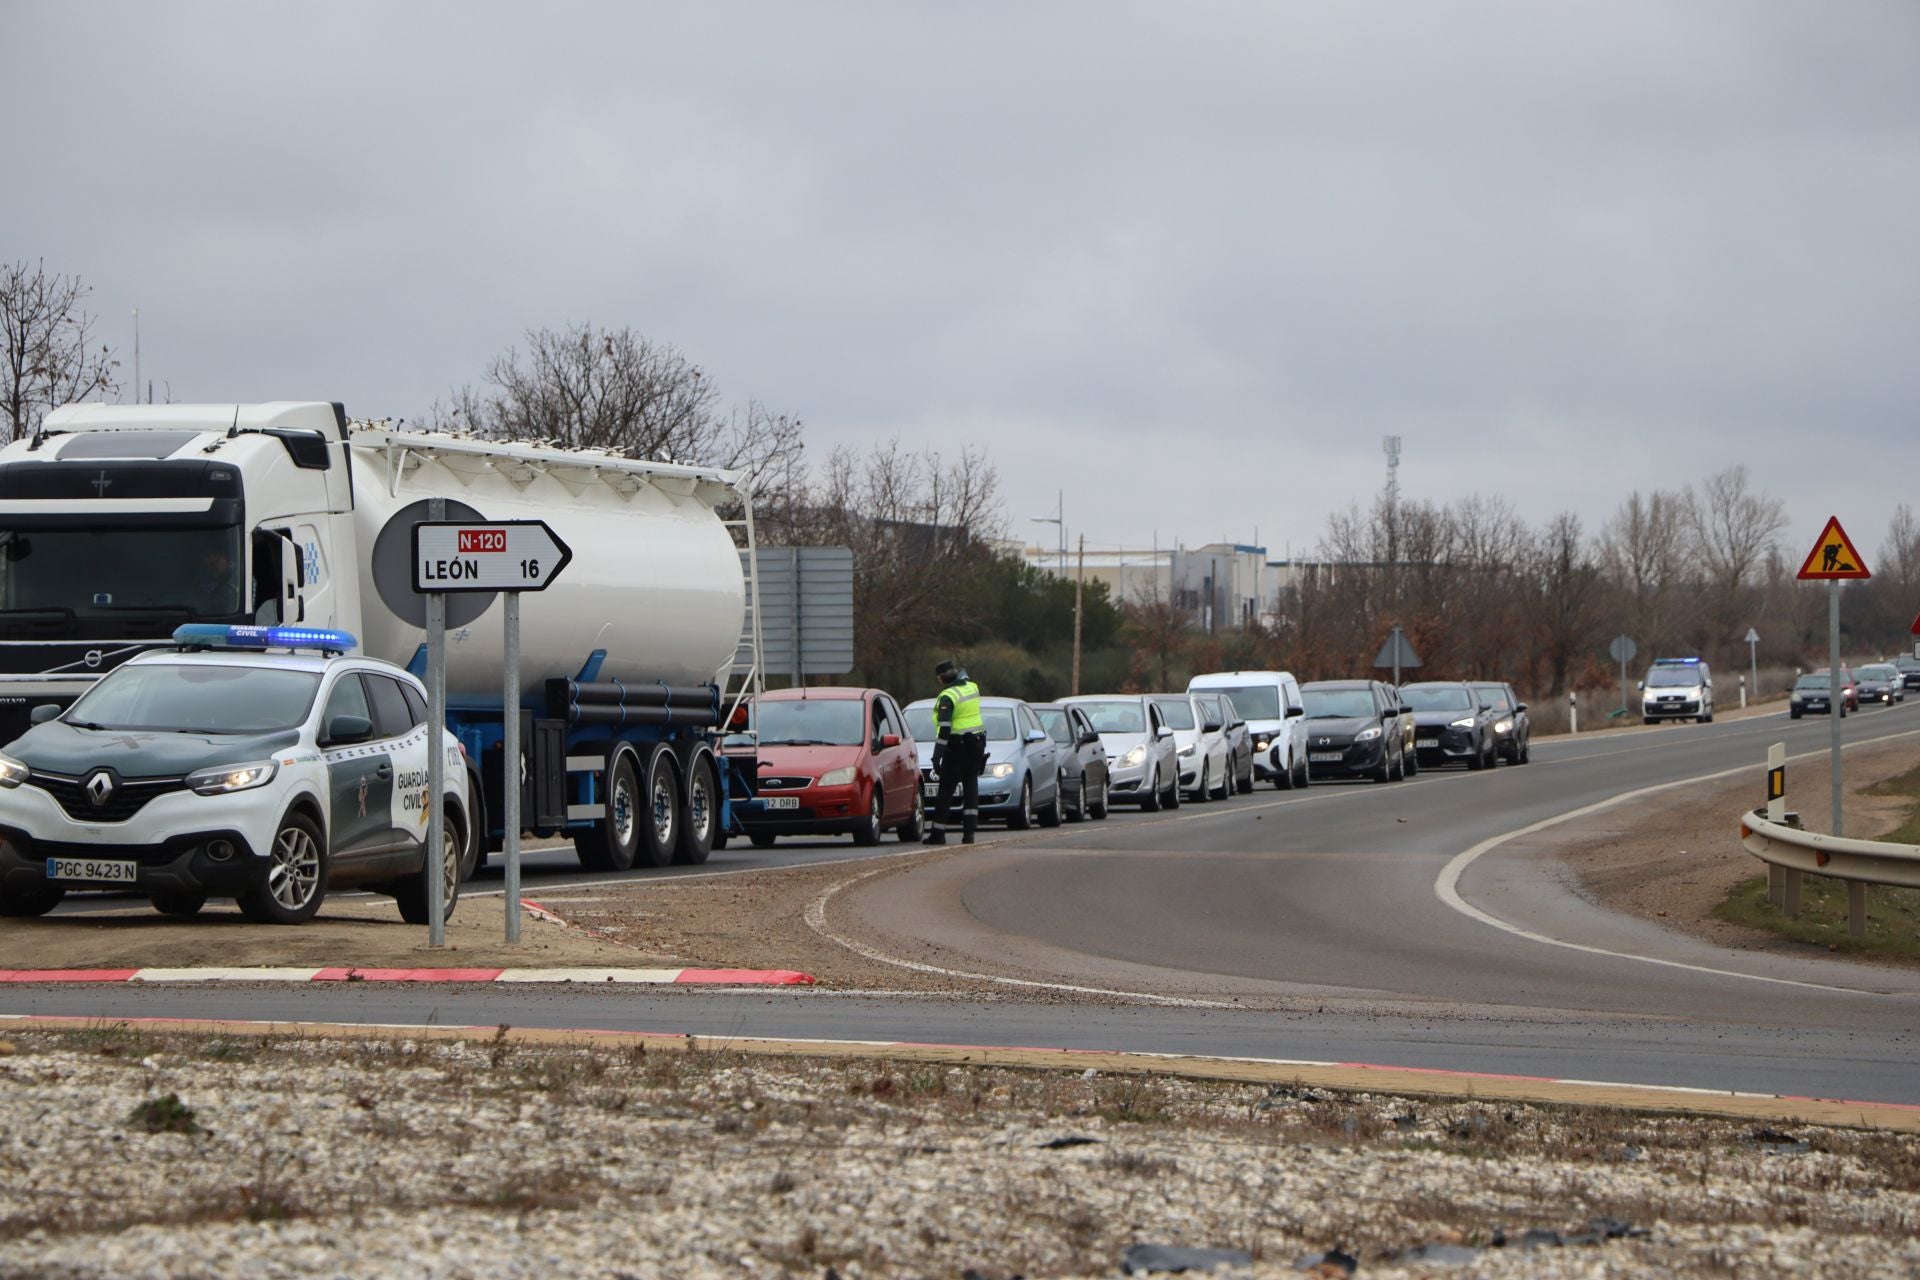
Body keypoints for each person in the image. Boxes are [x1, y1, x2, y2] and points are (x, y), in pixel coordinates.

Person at [924, 659, 985, 846]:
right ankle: (969, 834)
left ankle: (938, 833)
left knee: (945, 791)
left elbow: (944, 730)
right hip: (976, 744)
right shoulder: (972, 687)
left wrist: (936, 757)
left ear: (941, 679)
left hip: (956, 747)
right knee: (971, 787)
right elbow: (965, 675)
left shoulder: (947, 697)